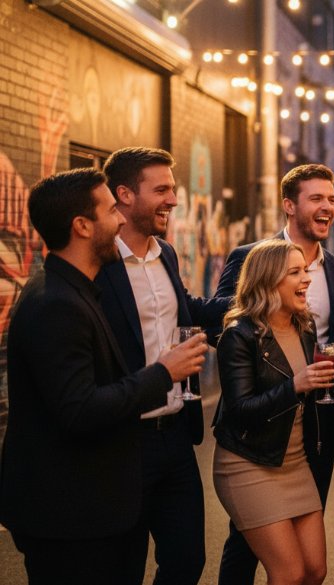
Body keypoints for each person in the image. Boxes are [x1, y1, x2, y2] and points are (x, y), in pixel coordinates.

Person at [0, 168, 207, 584]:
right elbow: (80, 410)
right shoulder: (56, 304)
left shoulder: (72, 290)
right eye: (112, 210)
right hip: (67, 515)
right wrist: (164, 373)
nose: (119, 221)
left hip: (88, 505)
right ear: (81, 226)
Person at [96, 147, 231, 585]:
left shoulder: (167, 253)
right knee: (124, 567)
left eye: (172, 188)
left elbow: (185, 310)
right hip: (122, 442)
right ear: (125, 195)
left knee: (187, 560)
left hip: (175, 434)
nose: (173, 199)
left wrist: (252, 302)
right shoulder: (99, 265)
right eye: (162, 190)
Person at [214, 163, 334, 585]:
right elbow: (224, 313)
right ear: (290, 206)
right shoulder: (250, 261)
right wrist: (261, 324)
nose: (327, 206)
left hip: (307, 431)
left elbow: (321, 355)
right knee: (266, 556)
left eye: (331, 198)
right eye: (317, 198)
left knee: (312, 568)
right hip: (254, 444)